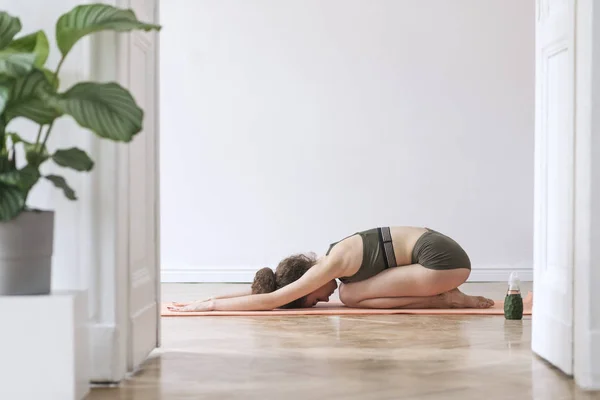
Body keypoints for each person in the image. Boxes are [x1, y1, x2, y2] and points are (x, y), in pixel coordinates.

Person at [167, 226, 495, 312]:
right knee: (351, 294)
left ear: (306, 282)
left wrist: (206, 305)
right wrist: (213, 295)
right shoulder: (330, 259)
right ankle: (446, 297)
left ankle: (450, 299)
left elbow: (272, 300)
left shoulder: (332, 264)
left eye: (311, 300)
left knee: (351, 296)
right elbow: (267, 294)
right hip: (440, 258)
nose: (322, 301)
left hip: (443, 263)